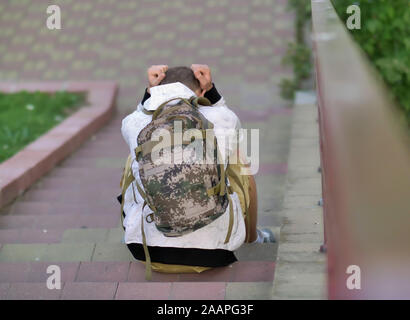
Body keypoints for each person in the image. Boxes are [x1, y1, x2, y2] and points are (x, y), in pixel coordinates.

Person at [120, 64, 274, 274]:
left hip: (145, 250)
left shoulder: (133, 122)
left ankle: (133, 225)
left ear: (156, 90)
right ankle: (253, 238)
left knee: (133, 160)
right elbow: (231, 123)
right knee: (239, 161)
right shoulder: (223, 118)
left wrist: (149, 92)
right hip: (217, 251)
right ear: (200, 91)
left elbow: (139, 114)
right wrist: (212, 92)